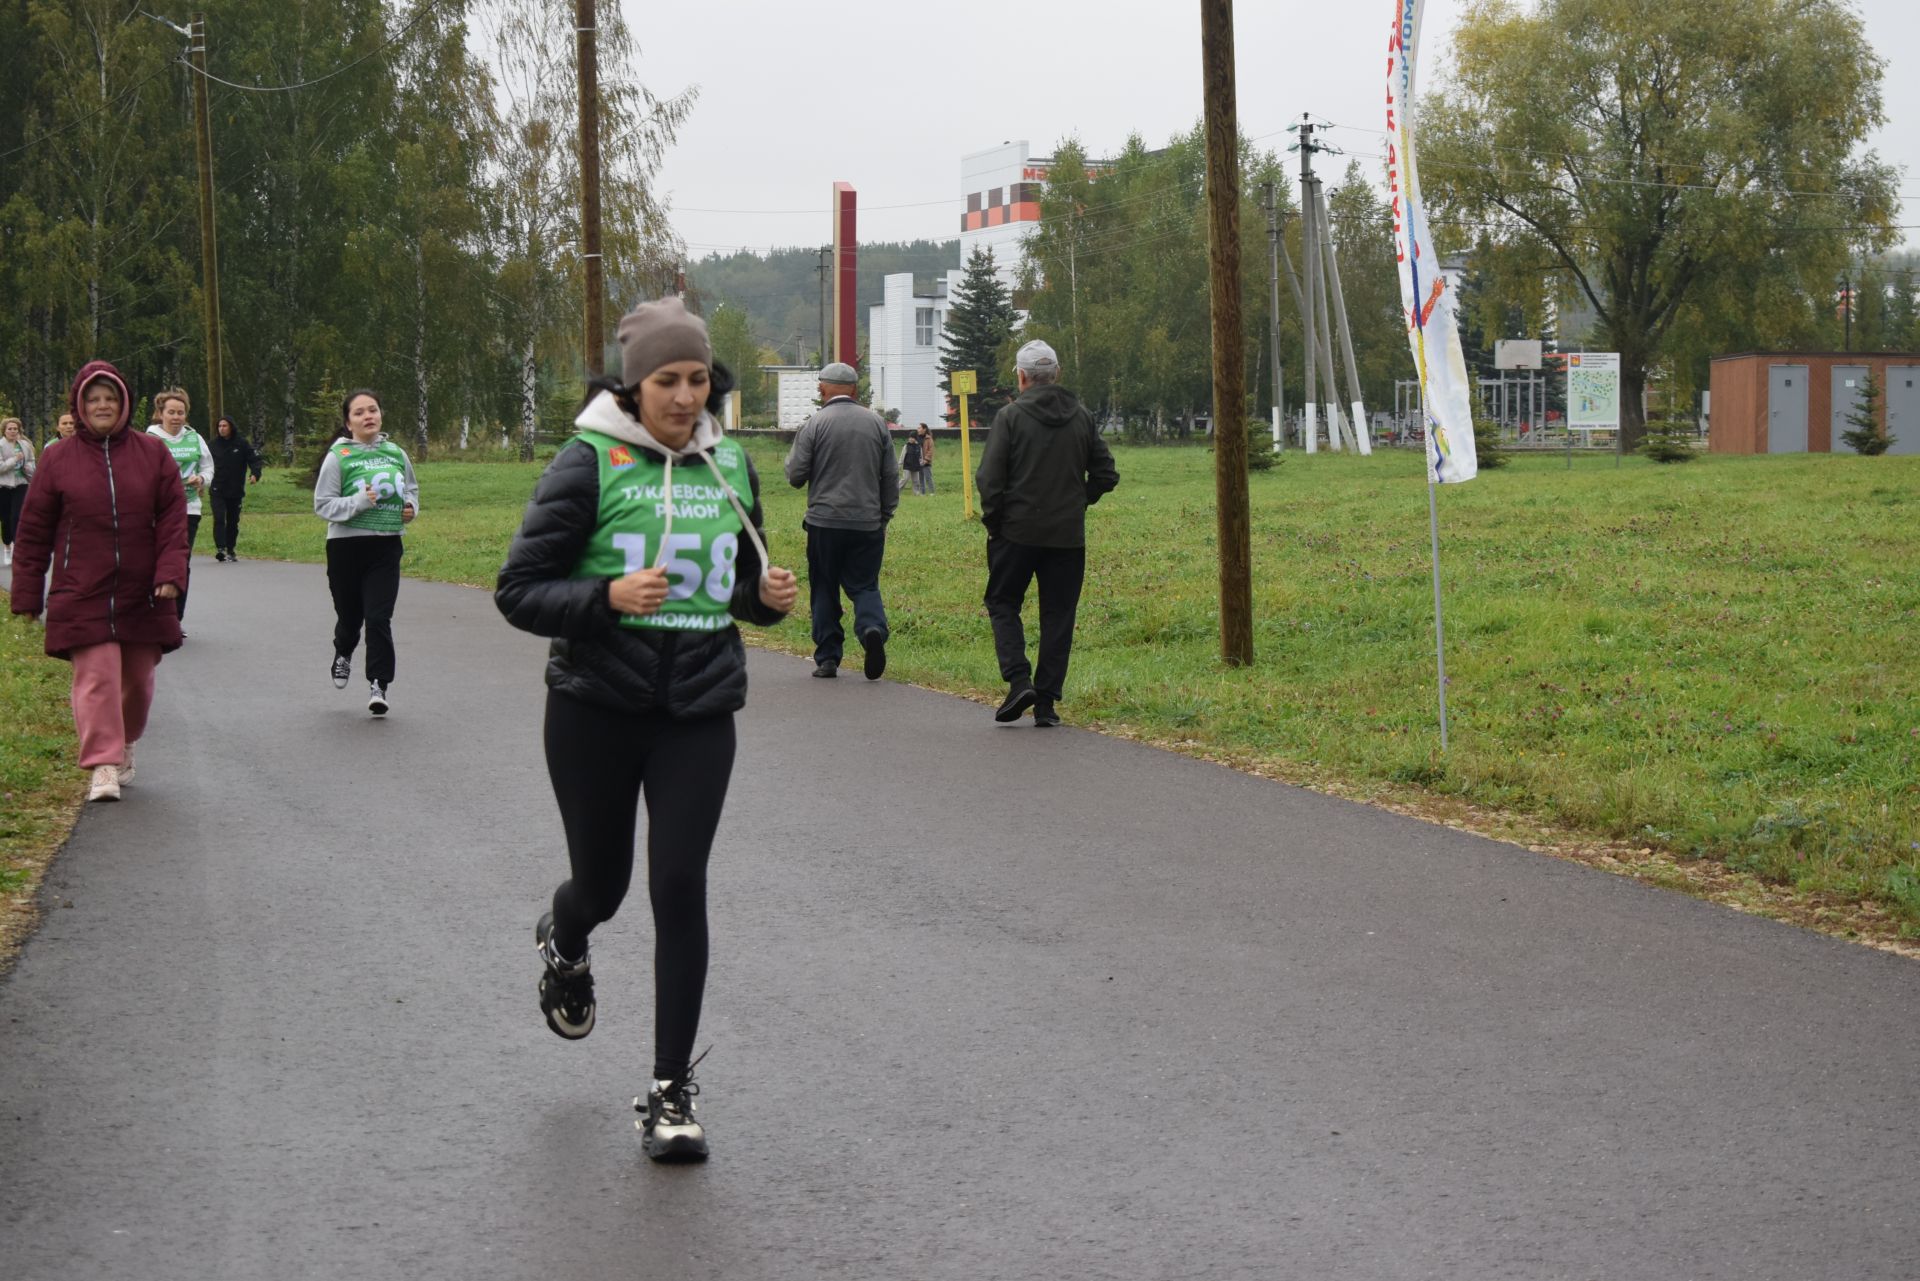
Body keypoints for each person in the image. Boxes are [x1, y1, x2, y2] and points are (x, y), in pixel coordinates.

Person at [495, 296, 799, 1162]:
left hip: (697, 712)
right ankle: (567, 934)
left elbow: (737, 588)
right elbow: (518, 590)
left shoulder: (732, 464)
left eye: (698, 378)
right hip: (595, 707)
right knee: (606, 887)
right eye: (666, 380)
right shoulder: (588, 462)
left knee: (680, 884)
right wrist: (605, 599)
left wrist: (764, 601)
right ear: (631, 386)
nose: (684, 396)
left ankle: (671, 1092)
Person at [8, 362, 187, 801]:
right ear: (80, 406)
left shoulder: (152, 453)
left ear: (124, 403)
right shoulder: (57, 458)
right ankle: (103, 765)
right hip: (81, 587)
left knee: (138, 682)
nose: (102, 405)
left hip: (143, 589)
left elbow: (172, 520)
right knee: (97, 676)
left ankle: (124, 742)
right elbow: (32, 530)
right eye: (93, 399)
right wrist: (28, 590)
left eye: (109, 398)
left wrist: (169, 573)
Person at [975, 339, 1118, 727]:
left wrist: (995, 522)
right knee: (1058, 615)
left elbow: (989, 479)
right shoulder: (1083, 416)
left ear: (1021, 377)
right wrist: (1077, 502)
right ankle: (1047, 703)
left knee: (1003, 602)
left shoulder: (1010, 417)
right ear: (1056, 374)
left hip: (1016, 533)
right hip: (1067, 537)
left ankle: (1019, 680)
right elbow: (1106, 474)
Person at [783, 361, 897, 679]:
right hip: (867, 521)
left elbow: (795, 475)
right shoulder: (876, 424)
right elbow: (890, 475)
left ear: (823, 388)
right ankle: (872, 627)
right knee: (864, 585)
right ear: (854, 390)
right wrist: (884, 516)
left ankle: (828, 657)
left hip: (824, 522)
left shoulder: (815, 423)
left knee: (824, 586)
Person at [312, 389, 418, 716]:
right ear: (348, 422)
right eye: (359, 413)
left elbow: (411, 489)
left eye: (373, 410)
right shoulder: (338, 456)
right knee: (350, 617)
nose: (368, 416)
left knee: (378, 617)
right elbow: (323, 505)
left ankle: (379, 684)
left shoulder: (396, 453)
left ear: (381, 414)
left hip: (385, 546)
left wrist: (411, 508)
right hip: (345, 547)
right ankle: (343, 652)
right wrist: (360, 501)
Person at [146, 389, 214, 624]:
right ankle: (153, 613)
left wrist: (202, 479)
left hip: (188, 508)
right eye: (171, 412)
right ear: (161, 414)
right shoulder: (150, 439)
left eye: (181, 413)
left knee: (180, 562)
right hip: (156, 511)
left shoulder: (195, 438)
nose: (176, 417)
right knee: (154, 560)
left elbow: (208, 467)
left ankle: (175, 619)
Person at [208, 415, 264, 561]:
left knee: (233, 521)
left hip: (235, 489)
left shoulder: (241, 444)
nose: (221, 429)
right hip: (217, 488)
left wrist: (255, 474)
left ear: (231, 427)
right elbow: (204, 463)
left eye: (224, 426)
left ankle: (230, 549)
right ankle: (220, 548)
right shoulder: (212, 445)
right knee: (219, 518)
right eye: (219, 426)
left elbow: (254, 459)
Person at [0, 417, 35, 568]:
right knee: (6, 519)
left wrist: (28, 467)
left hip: (21, 484)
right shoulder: (1, 445)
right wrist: (15, 459)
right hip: (4, 486)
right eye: (10, 429)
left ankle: (17, 549)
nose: (13, 431)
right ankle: (7, 546)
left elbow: (32, 461)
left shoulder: (25, 445)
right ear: (4, 431)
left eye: (15, 429)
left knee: (17, 516)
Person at [913, 421, 936, 495]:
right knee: (920, 479)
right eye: (918, 428)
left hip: (926, 462)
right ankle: (922, 493)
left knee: (928, 478)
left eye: (919, 428)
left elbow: (931, 450)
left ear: (924, 429)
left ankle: (932, 492)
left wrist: (926, 459)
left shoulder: (929, 439)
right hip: (918, 461)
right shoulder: (916, 438)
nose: (918, 429)